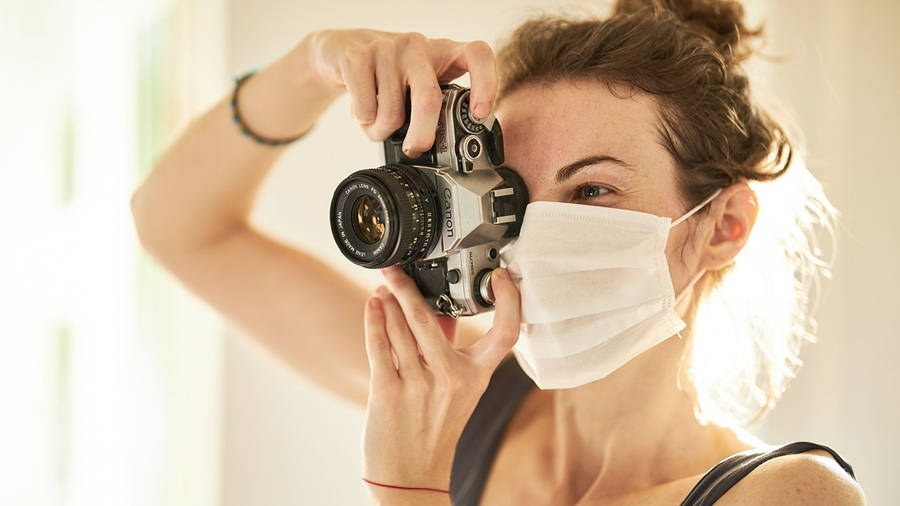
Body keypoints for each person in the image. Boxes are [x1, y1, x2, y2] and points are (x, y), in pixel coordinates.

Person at [130, 0, 866, 504]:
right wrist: (311, 65)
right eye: (509, 193)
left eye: (590, 192)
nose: (531, 232)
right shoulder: (469, 403)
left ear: (722, 225)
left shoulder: (790, 494)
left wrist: (408, 487)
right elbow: (176, 225)